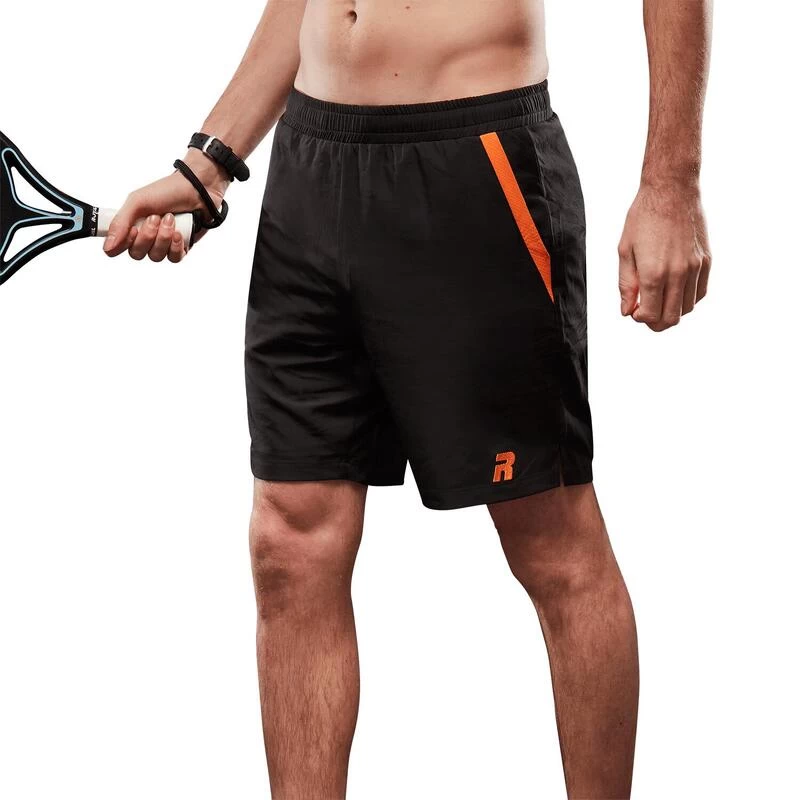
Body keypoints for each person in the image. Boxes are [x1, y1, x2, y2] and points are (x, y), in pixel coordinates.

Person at [104, 0, 712, 796]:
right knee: (290, 545)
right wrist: (207, 165)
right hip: (311, 171)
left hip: (473, 159)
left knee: (553, 543)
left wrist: (671, 183)